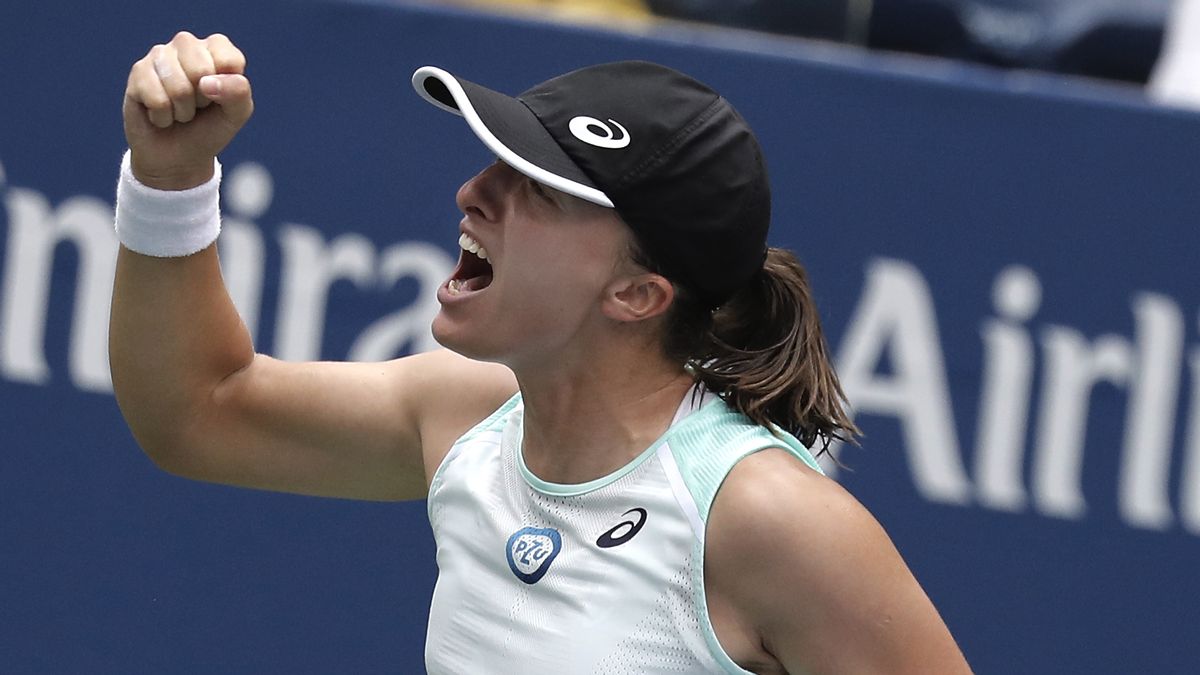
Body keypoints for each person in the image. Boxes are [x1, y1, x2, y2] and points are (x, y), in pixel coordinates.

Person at [111, 31, 972, 674]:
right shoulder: (466, 413)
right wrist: (170, 178)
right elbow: (197, 410)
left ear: (638, 292)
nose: (474, 192)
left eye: (537, 189)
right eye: (494, 161)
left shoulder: (767, 520)